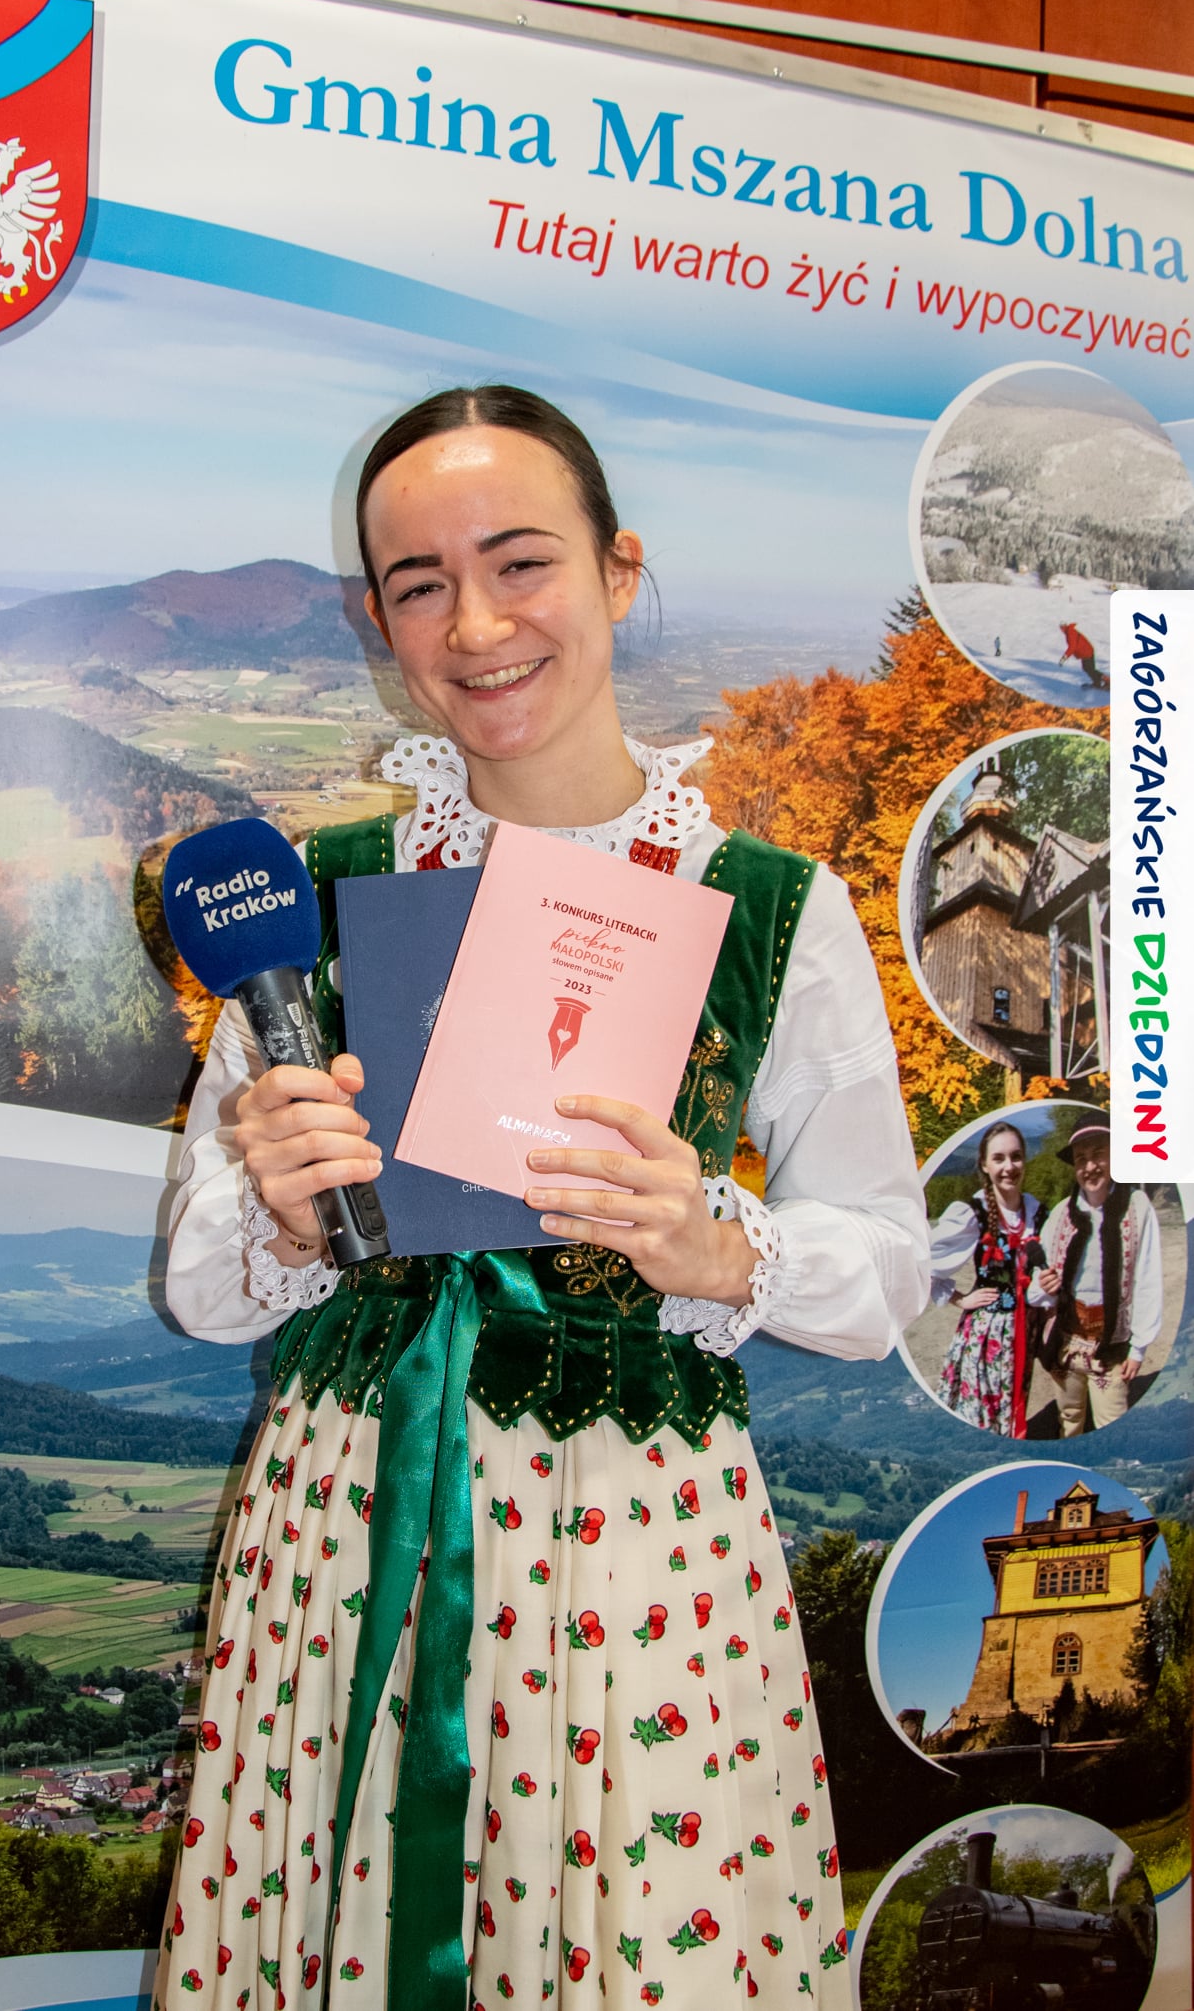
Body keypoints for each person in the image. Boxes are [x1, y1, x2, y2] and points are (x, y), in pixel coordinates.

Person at [155, 386, 930, 2011]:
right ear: (379, 621)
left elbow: (884, 1275)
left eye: (520, 562)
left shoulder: (767, 906)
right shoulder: (317, 897)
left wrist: (719, 1244)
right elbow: (199, 1288)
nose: (476, 623)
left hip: (638, 1549)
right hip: (353, 1526)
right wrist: (277, 1211)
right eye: (420, 582)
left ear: (617, 569)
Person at [1028, 1118, 1162, 1436]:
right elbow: (1037, 1284)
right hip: (1067, 1342)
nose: (1090, 1166)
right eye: (1081, 1159)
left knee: (1111, 1424)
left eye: (1098, 1154)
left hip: (1110, 1345)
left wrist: (1138, 1348)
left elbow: (1148, 1278)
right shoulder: (1062, 1214)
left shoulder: (1137, 1207)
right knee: (1069, 1418)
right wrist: (1044, 1287)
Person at [927, 1121, 1047, 1438]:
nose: (1009, 1167)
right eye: (999, 1158)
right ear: (984, 1164)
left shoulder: (1037, 1212)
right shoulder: (973, 1213)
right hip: (986, 1336)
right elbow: (921, 1261)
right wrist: (959, 1299)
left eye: (1016, 1156)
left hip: (1026, 1331)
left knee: (1012, 1409)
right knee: (982, 1417)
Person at [1058, 620, 1107, 689]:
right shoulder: (1070, 631)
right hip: (1086, 651)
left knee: (1089, 669)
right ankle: (1097, 682)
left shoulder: (1070, 633)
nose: (1061, 630)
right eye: (1061, 628)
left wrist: (1064, 657)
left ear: (1064, 627)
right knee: (1088, 668)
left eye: (1062, 627)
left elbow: (1072, 647)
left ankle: (1105, 681)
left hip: (1086, 652)